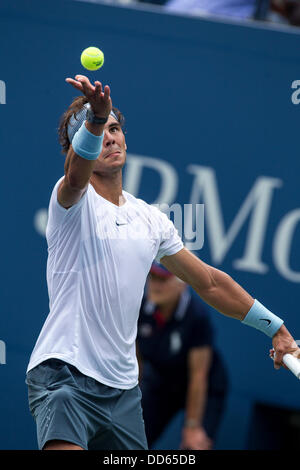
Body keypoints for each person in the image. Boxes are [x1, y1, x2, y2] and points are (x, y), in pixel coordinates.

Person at [25, 74, 299, 451]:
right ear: (77, 146)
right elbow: (75, 176)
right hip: (65, 376)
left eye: (115, 128)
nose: (109, 136)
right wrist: (95, 117)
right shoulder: (71, 201)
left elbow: (209, 283)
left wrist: (276, 328)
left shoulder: (150, 219)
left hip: (122, 391)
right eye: (97, 130)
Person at [137, 262, 228, 450]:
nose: (155, 285)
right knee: (133, 439)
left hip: (205, 387)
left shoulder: (196, 316)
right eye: (152, 277)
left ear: (182, 283)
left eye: (163, 279)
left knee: (195, 446)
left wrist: (192, 427)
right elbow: (136, 362)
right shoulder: (139, 306)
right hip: (160, 383)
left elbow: (198, 376)